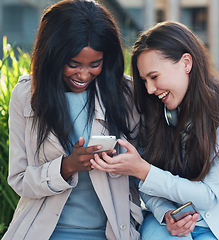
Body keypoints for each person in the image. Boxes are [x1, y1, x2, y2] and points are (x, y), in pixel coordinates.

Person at [91, 21, 219, 239]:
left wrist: (142, 170)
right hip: (166, 225)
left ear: (186, 63)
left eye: (154, 77)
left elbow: (209, 195)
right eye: (144, 80)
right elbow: (146, 187)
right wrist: (166, 214)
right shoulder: (152, 109)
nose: (150, 90)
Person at [3, 0, 142, 239]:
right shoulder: (26, 95)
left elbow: (148, 170)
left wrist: (120, 164)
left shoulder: (127, 94)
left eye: (95, 64)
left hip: (111, 231)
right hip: (45, 232)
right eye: (73, 64)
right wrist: (66, 167)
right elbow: (19, 180)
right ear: (53, 56)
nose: (84, 75)